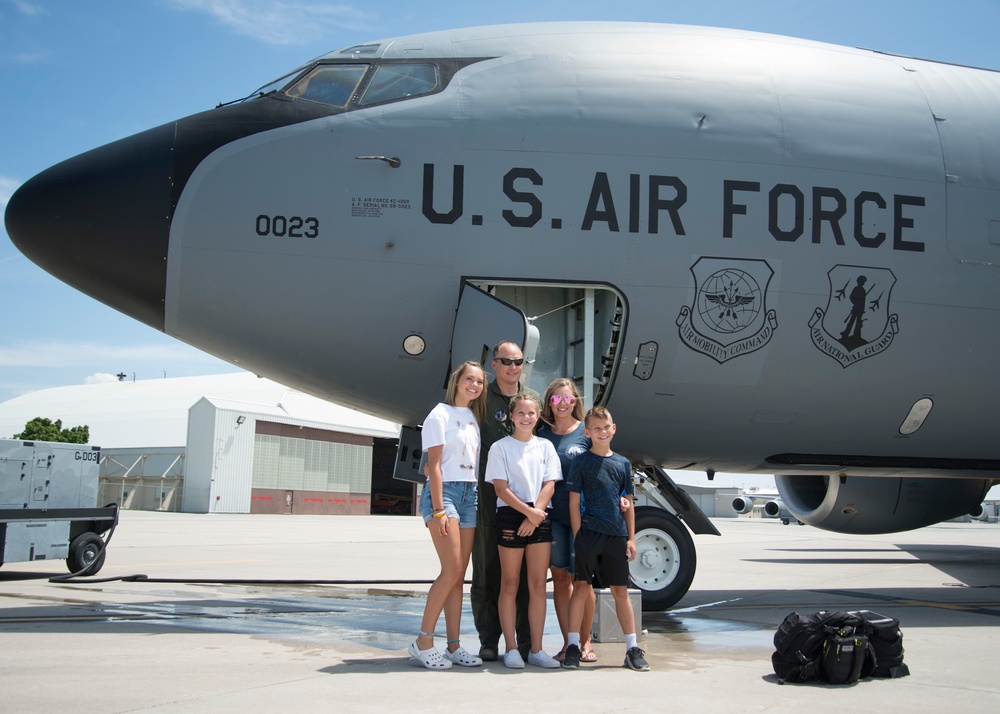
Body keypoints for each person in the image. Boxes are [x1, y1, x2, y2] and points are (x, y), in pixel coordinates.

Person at [408, 361, 489, 670]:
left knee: (458, 577)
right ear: (457, 381)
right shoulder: (438, 415)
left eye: (479, 382)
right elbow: (435, 467)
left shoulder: (471, 417)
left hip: (471, 495)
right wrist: (439, 509)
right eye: (469, 379)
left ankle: (453, 646)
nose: (474, 385)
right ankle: (423, 641)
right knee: (451, 570)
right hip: (445, 496)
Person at [562, 406, 650, 672]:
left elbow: (629, 501)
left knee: (620, 592)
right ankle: (573, 646)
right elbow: (573, 502)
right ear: (587, 432)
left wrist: (631, 538)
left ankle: (632, 648)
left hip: (616, 535)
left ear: (614, 428)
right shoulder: (581, 462)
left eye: (606, 427)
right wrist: (578, 535)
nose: (602, 432)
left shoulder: (622, 463)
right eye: (596, 429)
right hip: (589, 534)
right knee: (580, 588)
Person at [471, 341, 539, 661]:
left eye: (519, 362)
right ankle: (489, 640)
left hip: (524, 506)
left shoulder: (532, 400)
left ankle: (524, 642)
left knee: (524, 578)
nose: (513, 367)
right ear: (494, 364)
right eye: (506, 361)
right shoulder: (480, 398)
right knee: (487, 574)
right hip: (487, 503)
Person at [485, 393, 563, 669]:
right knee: (510, 583)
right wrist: (527, 513)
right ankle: (511, 648)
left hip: (540, 514)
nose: (526, 418)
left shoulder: (545, 448)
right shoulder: (500, 448)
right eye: (521, 413)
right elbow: (500, 488)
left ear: (538, 415)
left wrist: (535, 514)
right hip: (510, 515)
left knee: (538, 585)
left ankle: (538, 650)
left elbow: (550, 484)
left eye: (531, 413)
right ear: (511, 415)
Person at [536, 378, 598, 663]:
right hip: (552, 517)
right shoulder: (540, 434)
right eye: (556, 399)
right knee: (560, 579)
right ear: (550, 402)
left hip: (583, 517)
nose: (562, 404)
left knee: (583, 580)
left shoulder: (586, 434)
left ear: (576, 401)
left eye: (568, 399)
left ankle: (585, 642)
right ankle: (567, 643)